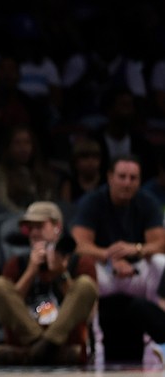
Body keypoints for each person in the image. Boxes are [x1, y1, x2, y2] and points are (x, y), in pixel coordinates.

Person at [70, 154, 165, 363]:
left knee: (161, 262)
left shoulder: (147, 202)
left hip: (137, 270)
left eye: (133, 178)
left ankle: (157, 341)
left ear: (140, 180)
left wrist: (135, 249)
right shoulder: (93, 201)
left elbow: (160, 243)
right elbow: (78, 244)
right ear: (110, 177)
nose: (127, 183)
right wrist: (108, 255)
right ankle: (95, 343)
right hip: (104, 270)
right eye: (122, 176)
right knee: (83, 267)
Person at [0, 201, 98, 365]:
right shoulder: (16, 264)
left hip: (66, 339)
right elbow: (9, 308)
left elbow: (87, 312)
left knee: (85, 285)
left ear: (57, 227)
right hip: (29, 339)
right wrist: (30, 272)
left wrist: (61, 274)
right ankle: (43, 348)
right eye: (29, 228)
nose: (34, 233)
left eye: (39, 226)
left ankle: (36, 352)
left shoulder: (81, 263)